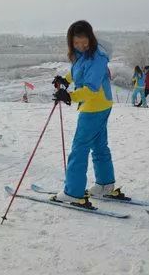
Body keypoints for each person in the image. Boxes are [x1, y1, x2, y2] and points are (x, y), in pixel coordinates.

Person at [51, 20, 120, 206]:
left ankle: (73, 192)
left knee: (79, 148)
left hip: (94, 107)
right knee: (99, 145)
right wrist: (64, 79)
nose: (80, 46)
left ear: (91, 38)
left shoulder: (97, 58)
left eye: (84, 42)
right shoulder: (85, 55)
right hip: (101, 105)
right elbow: (78, 72)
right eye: (76, 43)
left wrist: (69, 96)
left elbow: (90, 88)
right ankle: (105, 185)